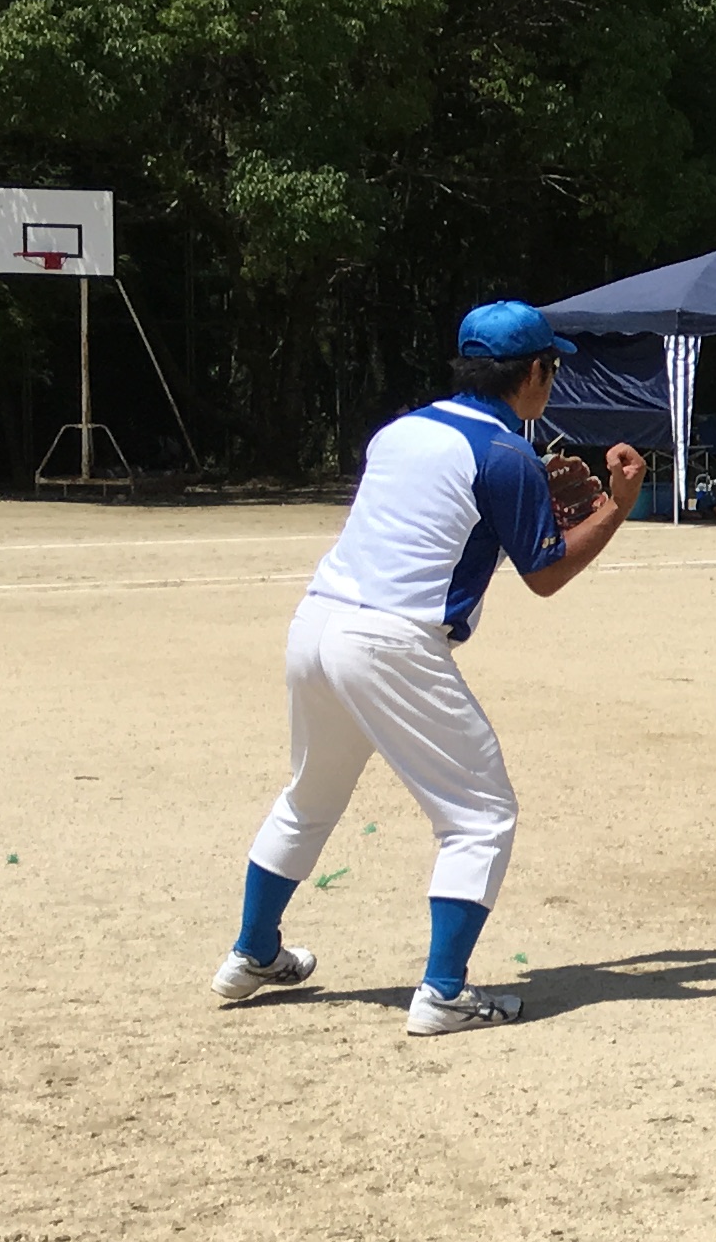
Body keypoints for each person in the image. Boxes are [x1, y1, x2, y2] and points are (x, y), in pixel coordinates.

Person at [217, 302, 644, 1036]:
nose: (553, 380)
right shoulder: (505, 455)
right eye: (552, 367)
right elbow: (545, 575)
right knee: (481, 816)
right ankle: (443, 993)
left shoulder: (400, 430)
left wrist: (528, 500)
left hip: (318, 622)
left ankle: (251, 953)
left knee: (308, 797)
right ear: (533, 372)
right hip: (392, 642)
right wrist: (616, 507)